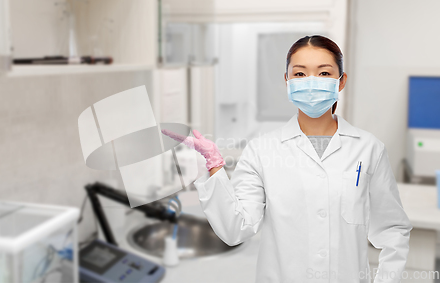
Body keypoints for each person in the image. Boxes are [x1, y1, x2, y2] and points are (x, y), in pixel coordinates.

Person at [161, 35, 412, 283]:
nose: (311, 82)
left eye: (324, 73)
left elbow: (393, 230)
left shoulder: (368, 149)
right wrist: (214, 164)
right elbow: (235, 229)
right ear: (287, 81)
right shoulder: (261, 151)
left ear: (341, 81)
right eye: (300, 74)